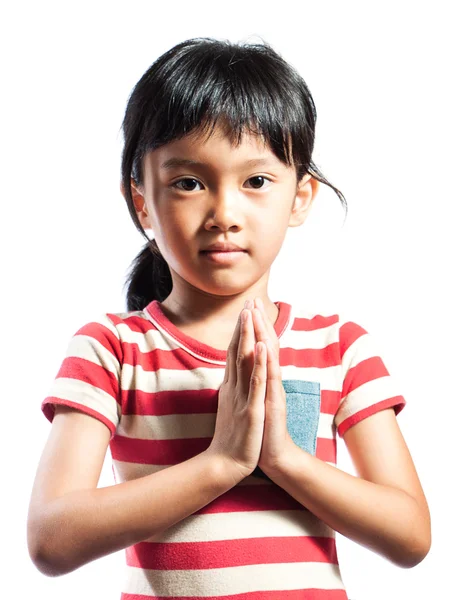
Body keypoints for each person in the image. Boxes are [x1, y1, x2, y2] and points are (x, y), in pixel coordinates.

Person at [27, 36, 431, 599]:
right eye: (188, 182)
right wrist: (222, 462)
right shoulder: (111, 349)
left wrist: (284, 459)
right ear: (142, 200)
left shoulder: (340, 346)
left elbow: (410, 536)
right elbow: (51, 540)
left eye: (256, 181)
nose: (224, 214)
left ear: (300, 197)